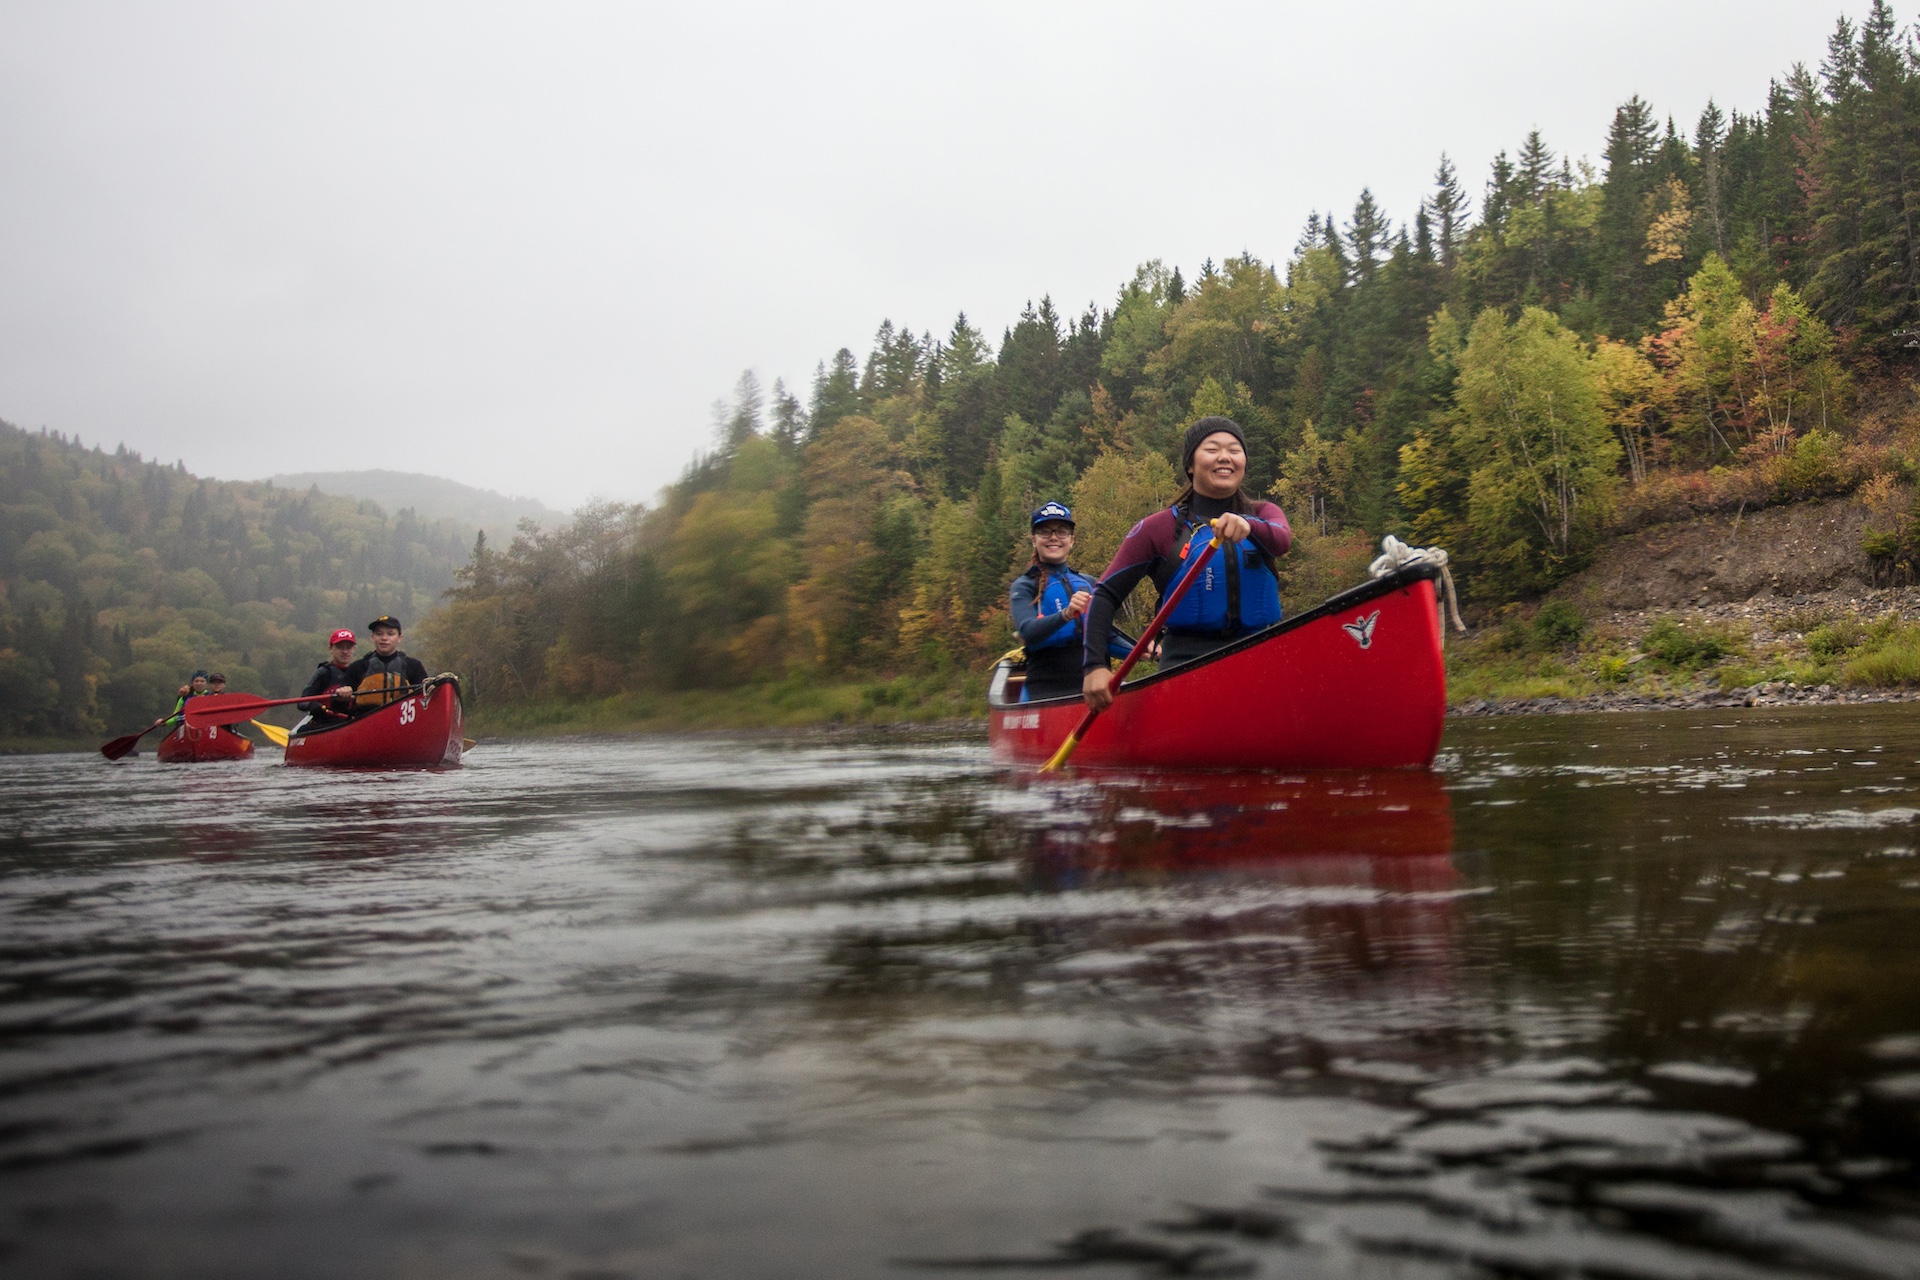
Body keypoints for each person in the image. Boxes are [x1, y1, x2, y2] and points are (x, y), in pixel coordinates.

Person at [1081, 417, 1292, 710]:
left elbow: (1282, 540)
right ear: (1190, 465)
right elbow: (1105, 594)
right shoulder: (1157, 529)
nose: (1224, 457)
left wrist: (1248, 525)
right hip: (1187, 671)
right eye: (1212, 449)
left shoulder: (1265, 514)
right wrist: (1094, 665)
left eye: (1234, 449)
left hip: (1262, 663)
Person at [1008, 502, 1136, 701]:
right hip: (1047, 692)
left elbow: (1107, 638)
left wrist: (1141, 651)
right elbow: (1028, 631)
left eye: (1062, 531)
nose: (1053, 537)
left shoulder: (1090, 583)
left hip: (1096, 690)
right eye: (1045, 532)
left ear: (1071, 540)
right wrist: (1066, 614)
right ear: (1034, 540)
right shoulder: (1024, 586)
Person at [341, 614, 429, 711]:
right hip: (367, 720)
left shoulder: (414, 666)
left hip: (402, 721)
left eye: (390, 634)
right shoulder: (357, 667)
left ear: (400, 637)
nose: (384, 638)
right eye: (379, 634)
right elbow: (339, 706)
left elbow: (426, 698)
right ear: (372, 637)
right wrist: (343, 694)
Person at [297, 630, 359, 729]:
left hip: (353, 722)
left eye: (348, 647)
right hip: (325, 723)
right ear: (331, 649)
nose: (345, 651)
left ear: (354, 649)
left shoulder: (359, 672)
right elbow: (302, 702)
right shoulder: (323, 672)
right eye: (340, 647)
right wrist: (314, 705)